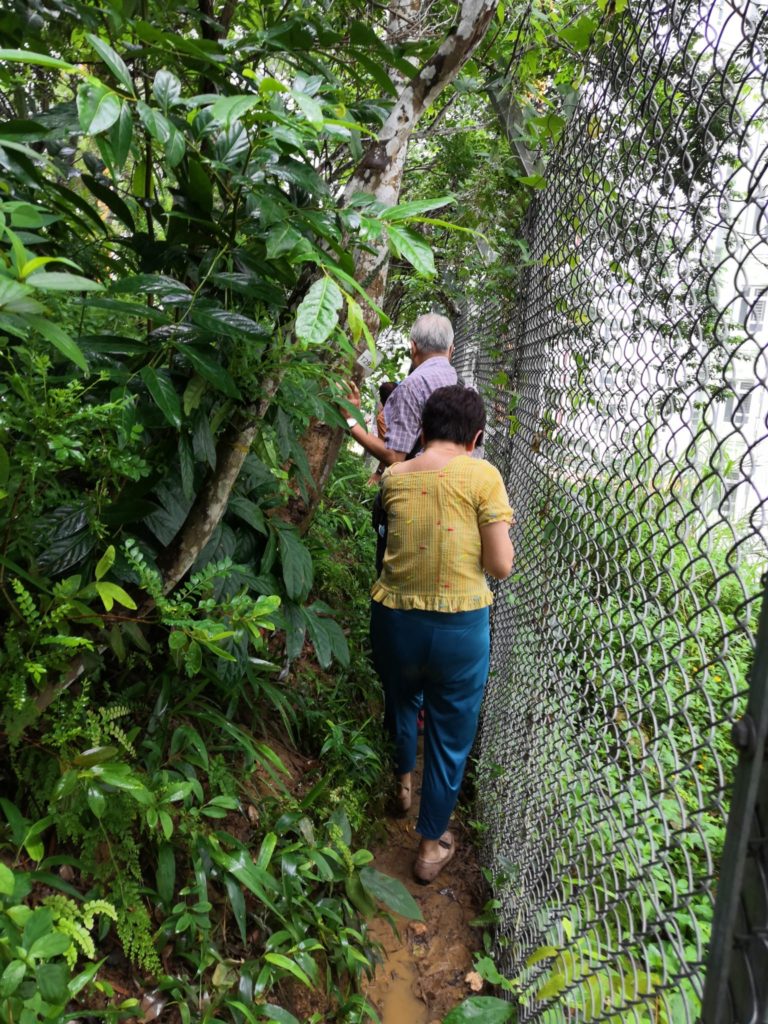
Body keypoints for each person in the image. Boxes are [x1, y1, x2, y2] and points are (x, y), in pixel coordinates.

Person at [369, 385, 514, 883]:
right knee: (451, 736)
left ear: (424, 430)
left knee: (401, 699)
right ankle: (430, 848)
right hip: (459, 627)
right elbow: (500, 565)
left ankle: (402, 785)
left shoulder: (393, 477)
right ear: (475, 438)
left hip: (394, 619)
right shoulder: (483, 477)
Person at [344, 313, 457, 467]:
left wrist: (351, 421)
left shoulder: (412, 387)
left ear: (413, 347)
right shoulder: (459, 383)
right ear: (451, 349)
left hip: (417, 483)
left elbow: (394, 457)